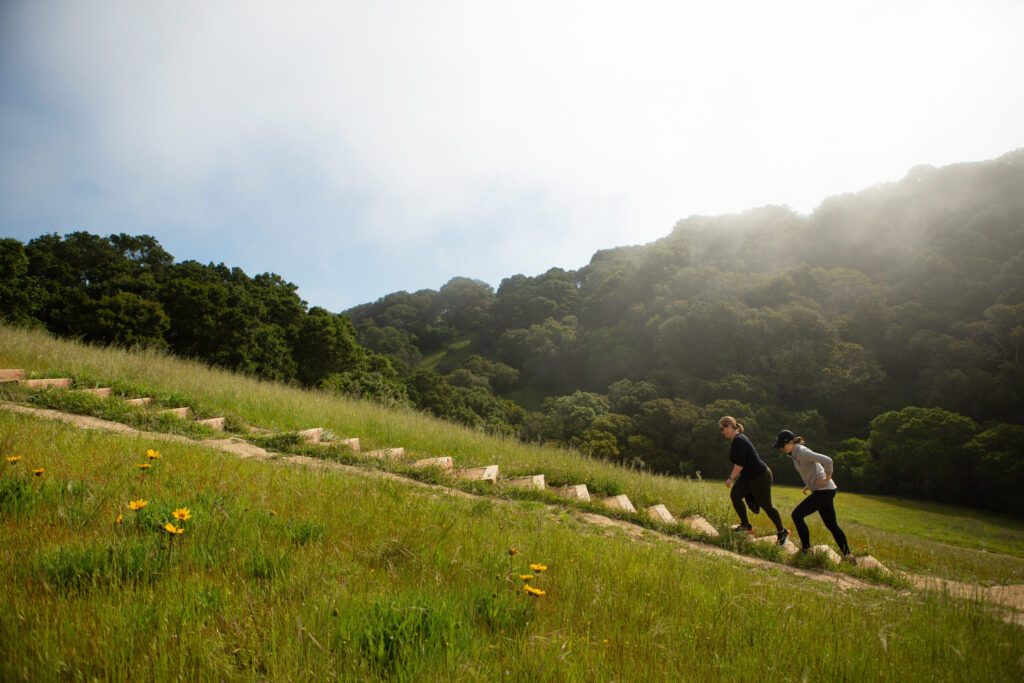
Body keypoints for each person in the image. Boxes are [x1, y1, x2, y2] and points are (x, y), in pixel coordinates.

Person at [771, 429, 854, 563]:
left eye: (783, 445)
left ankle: (806, 550)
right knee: (832, 525)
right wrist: (810, 484)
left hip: (824, 490)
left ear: (791, 442)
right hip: (823, 490)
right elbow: (814, 469)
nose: (781, 448)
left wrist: (826, 479)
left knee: (797, 515)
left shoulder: (802, 452)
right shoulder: (794, 454)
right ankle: (848, 557)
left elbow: (827, 460)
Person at [718, 416, 790, 546]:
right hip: (748, 476)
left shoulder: (739, 440)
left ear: (729, 426)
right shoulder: (737, 439)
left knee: (766, 506)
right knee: (735, 495)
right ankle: (745, 526)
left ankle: (782, 531)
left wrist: (730, 479)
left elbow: (739, 464)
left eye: (722, 429)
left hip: (760, 476)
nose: (722, 432)